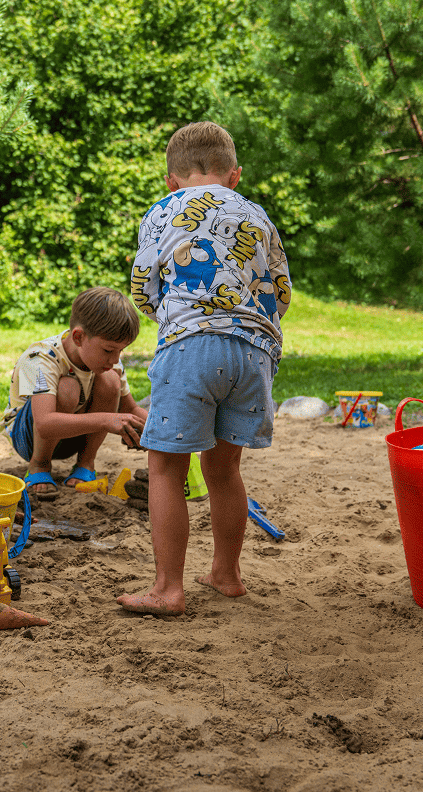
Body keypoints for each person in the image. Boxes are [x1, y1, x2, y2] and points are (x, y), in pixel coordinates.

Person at [117, 121, 291, 616]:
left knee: (166, 468)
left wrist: (169, 320)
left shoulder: (163, 210)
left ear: (172, 181)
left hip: (191, 345)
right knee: (224, 469)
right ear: (234, 175)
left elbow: (143, 285)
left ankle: (168, 588)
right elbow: (281, 290)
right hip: (255, 353)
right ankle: (227, 573)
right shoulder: (258, 216)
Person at [0, 287, 148, 501]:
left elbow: (131, 409)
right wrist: (107, 420)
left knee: (110, 380)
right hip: (29, 437)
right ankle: (39, 466)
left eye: (120, 351)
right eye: (108, 350)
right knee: (68, 388)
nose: (115, 359)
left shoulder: (108, 362)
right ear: (78, 337)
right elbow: (44, 423)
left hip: (71, 433)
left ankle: (85, 463)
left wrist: (162, 433)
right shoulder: (39, 359)